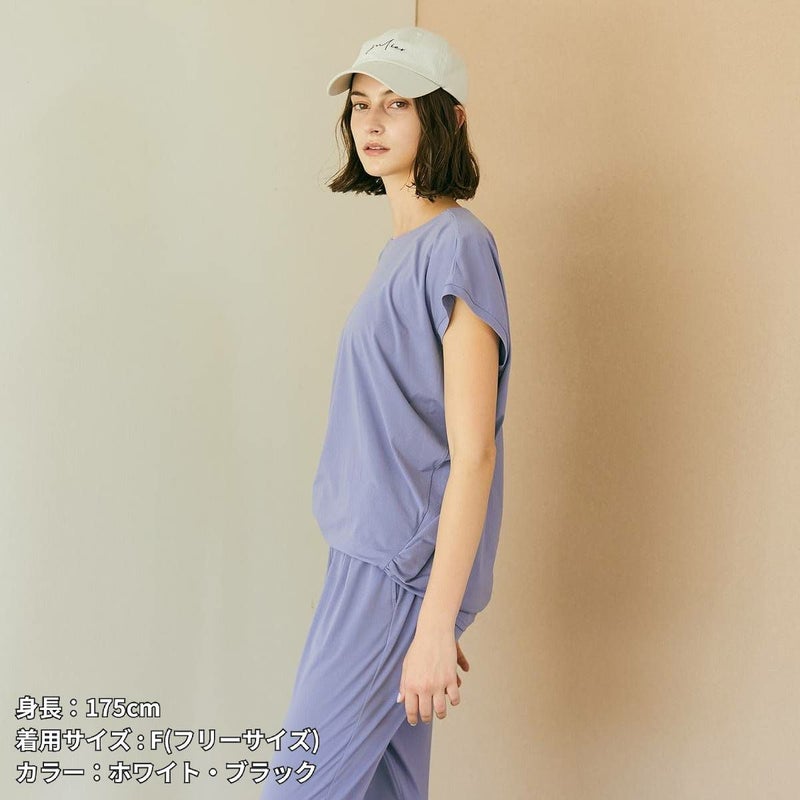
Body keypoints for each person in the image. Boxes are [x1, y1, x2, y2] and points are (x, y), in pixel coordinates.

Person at [259, 26, 512, 800]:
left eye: (397, 104)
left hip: (394, 576)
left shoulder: (457, 247)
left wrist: (432, 620)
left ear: (448, 119)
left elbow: (473, 452)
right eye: (361, 104)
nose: (371, 121)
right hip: (366, 563)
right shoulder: (402, 250)